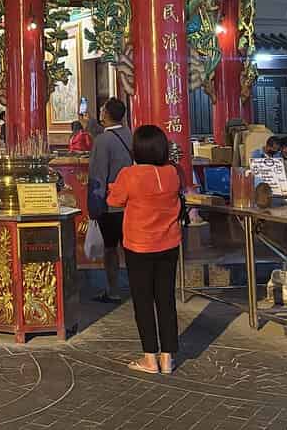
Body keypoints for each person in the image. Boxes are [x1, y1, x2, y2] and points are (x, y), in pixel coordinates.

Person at [107, 124, 182, 374]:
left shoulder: (130, 174)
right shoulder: (172, 173)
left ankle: (150, 358)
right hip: (169, 244)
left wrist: (111, 187)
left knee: (143, 301)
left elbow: (114, 200)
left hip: (139, 245)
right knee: (166, 299)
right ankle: (167, 357)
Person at [87, 97, 133, 303]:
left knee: (110, 248)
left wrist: (94, 207)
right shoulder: (130, 135)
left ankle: (113, 289)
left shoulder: (102, 141)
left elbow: (98, 175)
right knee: (131, 248)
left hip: (111, 204)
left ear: (105, 114)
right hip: (131, 204)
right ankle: (137, 287)